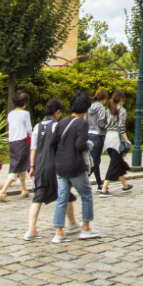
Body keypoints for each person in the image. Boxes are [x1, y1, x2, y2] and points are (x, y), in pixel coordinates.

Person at [52, 94, 101, 242]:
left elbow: (53, 142)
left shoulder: (62, 122)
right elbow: (80, 145)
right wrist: (89, 145)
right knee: (86, 195)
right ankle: (86, 227)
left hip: (60, 164)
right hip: (74, 165)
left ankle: (59, 231)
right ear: (86, 108)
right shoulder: (81, 124)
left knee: (62, 197)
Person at [24, 98, 66, 240]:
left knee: (38, 197)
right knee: (63, 195)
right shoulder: (57, 126)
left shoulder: (37, 126)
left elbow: (33, 148)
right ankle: (60, 230)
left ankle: (31, 229)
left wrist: (32, 167)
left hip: (40, 165)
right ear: (57, 112)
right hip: (54, 164)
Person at [0, 91, 34, 202]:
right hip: (22, 141)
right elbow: (28, 129)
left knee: (20, 163)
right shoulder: (25, 114)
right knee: (16, 167)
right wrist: (33, 139)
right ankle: (2, 192)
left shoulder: (10, 114)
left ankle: (24, 189)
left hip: (12, 142)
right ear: (24, 103)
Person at [101, 91, 133, 195]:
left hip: (108, 138)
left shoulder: (108, 110)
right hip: (116, 138)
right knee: (114, 164)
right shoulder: (122, 110)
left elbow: (102, 123)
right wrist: (126, 139)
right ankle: (104, 189)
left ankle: (125, 185)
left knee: (118, 162)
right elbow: (121, 127)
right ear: (121, 99)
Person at [87, 87, 109, 188]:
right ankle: (81, 181)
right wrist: (108, 127)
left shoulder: (89, 108)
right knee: (95, 162)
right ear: (104, 99)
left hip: (88, 134)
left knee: (94, 160)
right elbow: (100, 122)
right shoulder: (101, 108)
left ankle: (100, 183)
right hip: (97, 135)